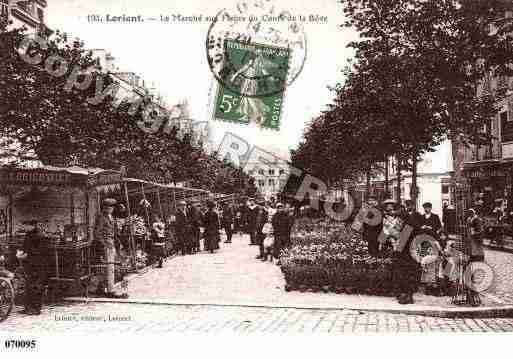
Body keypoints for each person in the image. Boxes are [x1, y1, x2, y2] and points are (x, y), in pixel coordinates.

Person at [93, 199, 128, 299]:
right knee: (109, 268)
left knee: (111, 268)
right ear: (105, 208)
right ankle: (110, 290)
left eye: (112, 207)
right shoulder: (101, 218)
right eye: (109, 207)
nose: (111, 209)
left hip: (111, 244)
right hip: (107, 245)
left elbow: (113, 231)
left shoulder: (110, 217)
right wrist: (104, 244)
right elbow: (97, 234)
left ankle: (103, 288)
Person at [392, 199, 421, 305]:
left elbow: (400, 240)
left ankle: (406, 296)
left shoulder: (407, 224)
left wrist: (395, 244)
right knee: (408, 273)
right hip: (409, 252)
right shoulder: (409, 221)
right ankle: (407, 295)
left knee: (405, 273)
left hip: (407, 254)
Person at [17, 220, 49, 315]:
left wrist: (25, 255)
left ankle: (36, 309)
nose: (24, 228)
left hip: (38, 265)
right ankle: (27, 308)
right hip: (30, 264)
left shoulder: (39, 235)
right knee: (28, 286)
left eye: (26, 226)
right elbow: (25, 247)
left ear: (32, 226)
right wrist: (21, 252)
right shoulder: (28, 234)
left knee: (36, 287)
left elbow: (38, 251)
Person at [466, 207, 485, 306]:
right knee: (470, 272)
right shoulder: (469, 220)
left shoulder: (478, 220)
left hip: (476, 251)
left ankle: (474, 294)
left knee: (475, 272)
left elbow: (481, 235)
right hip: (471, 250)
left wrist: (474, 233)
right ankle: (471, 294)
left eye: (471, 213)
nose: (470, 215)